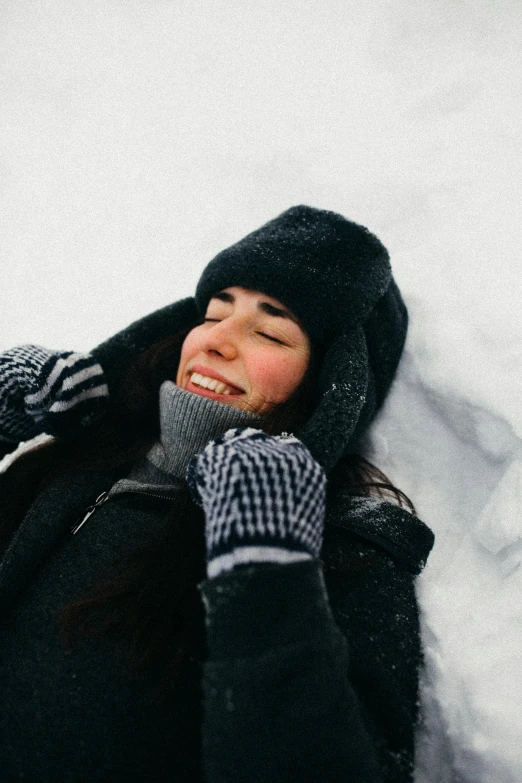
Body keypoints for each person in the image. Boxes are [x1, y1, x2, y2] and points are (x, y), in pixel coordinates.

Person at [0, 205, 434, 782]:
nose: (215, 342)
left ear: (330, 381)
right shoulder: (85, 457)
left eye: (270, 331)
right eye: (211, 314)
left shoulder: (347, 549)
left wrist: (268, 574)